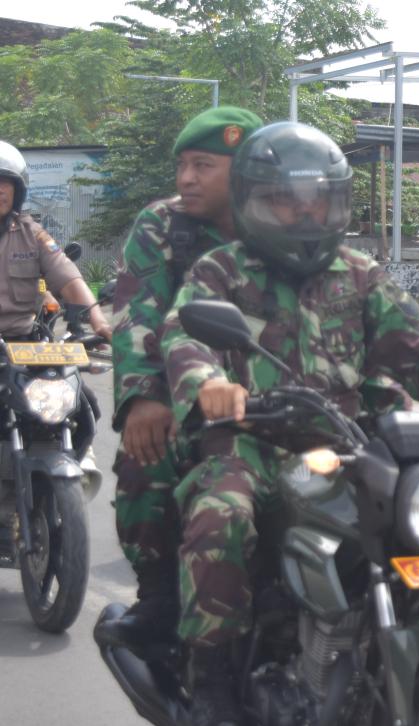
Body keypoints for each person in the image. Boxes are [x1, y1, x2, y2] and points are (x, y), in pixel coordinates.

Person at [161, 121, 419, 726]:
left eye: (317, 200)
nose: (304, 214)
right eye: (286, 199)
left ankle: (407, 650)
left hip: (350, 442)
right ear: (253, 200)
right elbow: (183, 337)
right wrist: (207, 382)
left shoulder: (358, 273)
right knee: (221, 517)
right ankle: (213, 682)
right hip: (252, 440)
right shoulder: (220, 271)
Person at [96, 106, 264, 650]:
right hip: (184, 391)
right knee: (148, 453)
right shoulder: (162, 223)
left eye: (203, 165)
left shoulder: (287, 224)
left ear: (246, 171)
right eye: (183, 165)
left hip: (279, 396)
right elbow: (138, 313)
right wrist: (145, 397)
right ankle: (159, 594)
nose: (186, 179)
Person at [0, 140, 111, 342]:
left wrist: (99, 322)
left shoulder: (33, 234)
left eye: (5, 182)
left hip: (21, 347)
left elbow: (68, 278)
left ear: (17, 190)